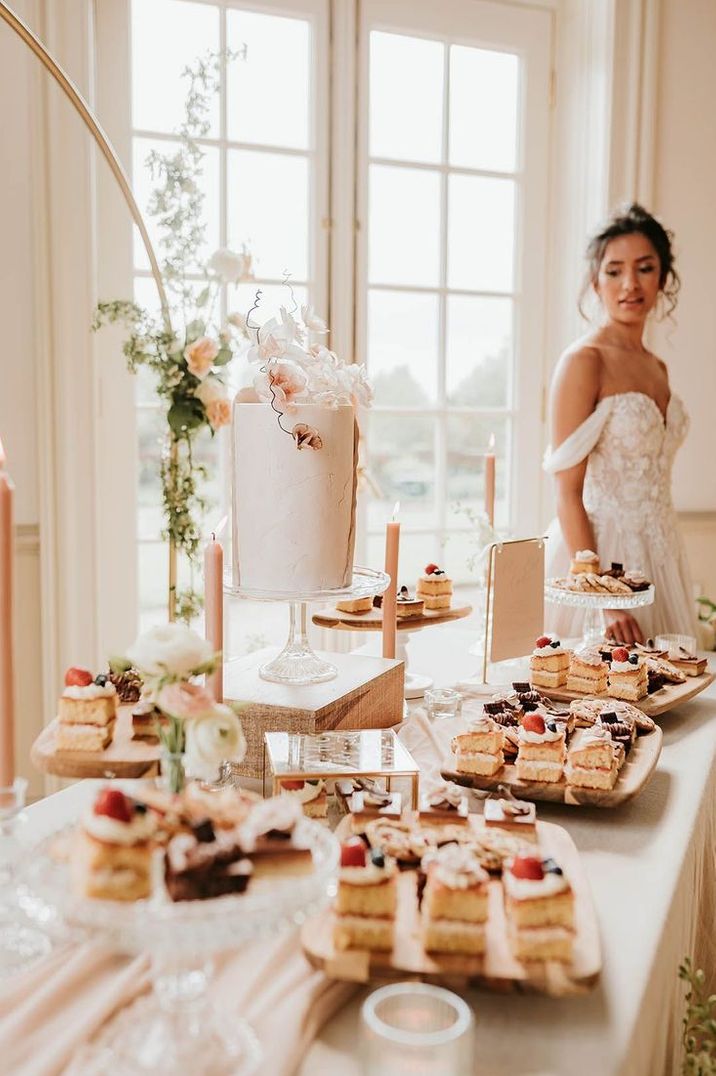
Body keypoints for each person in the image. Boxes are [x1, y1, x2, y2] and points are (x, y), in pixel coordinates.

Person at [544, 203, 697, 644]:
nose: (630, 284)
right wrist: (603, 599)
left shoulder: (658, 367)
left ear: (663, 277)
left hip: (662, 556)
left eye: (644, 268)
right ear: (596, 282)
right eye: (614, 271)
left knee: (671, 695)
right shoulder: (583, 361)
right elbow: (567, 493)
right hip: (597, 558)